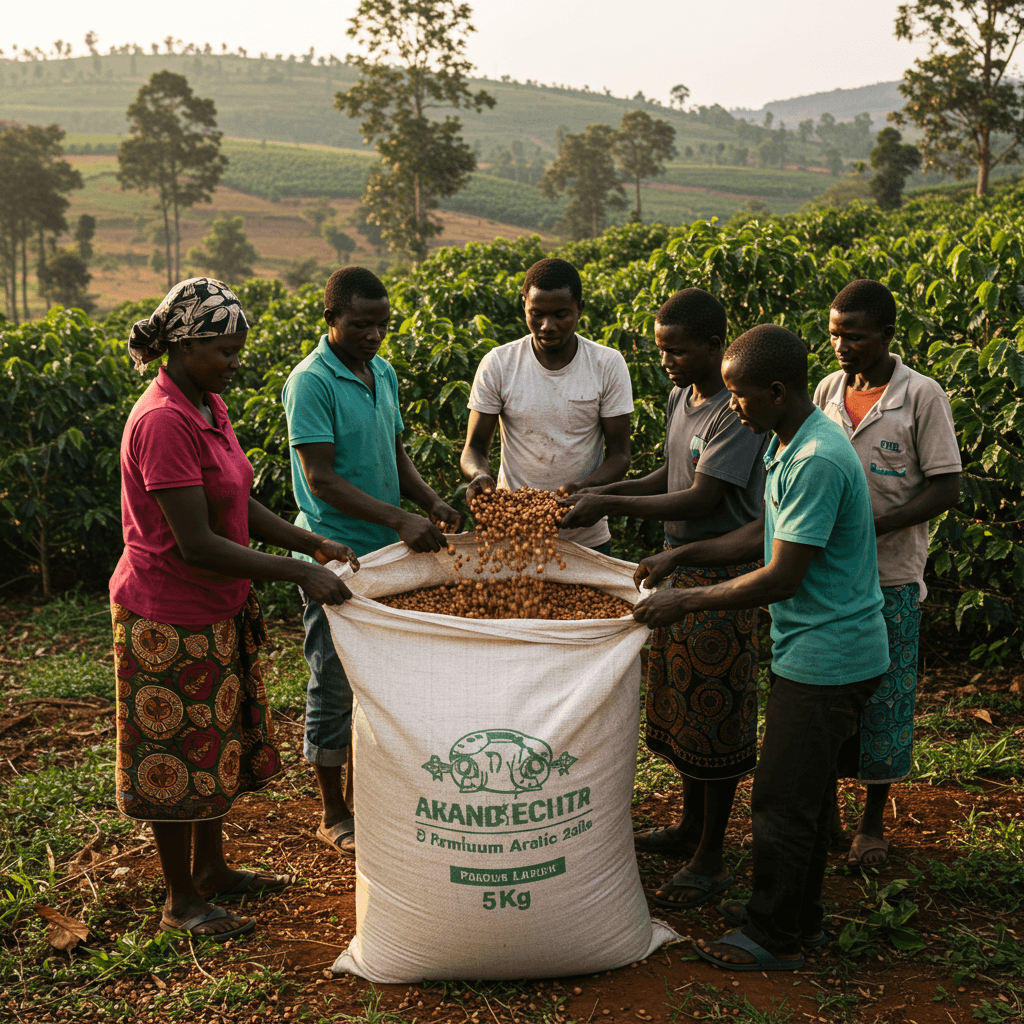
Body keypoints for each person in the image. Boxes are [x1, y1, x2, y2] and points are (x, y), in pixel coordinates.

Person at [633, 324, 888, 972]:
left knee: (782, 799)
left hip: (831, 656)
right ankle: (797, 920)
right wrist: (681, 555)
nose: (733, 408)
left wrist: (684, 600)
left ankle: (774, 933)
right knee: (795, 793)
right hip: (811, 647)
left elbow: (780, 576)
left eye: (741, 397)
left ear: (776, 391)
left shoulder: (816, 460)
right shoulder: (787, 441)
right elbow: (761, 536)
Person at [111, 277, 358, 942]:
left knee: (211, 744)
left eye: (237, 350)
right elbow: (194, 542)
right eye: (223, 350)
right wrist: (298, 572)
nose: (234, 362)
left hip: (214, 609)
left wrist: (310, 541)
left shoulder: (205, 407)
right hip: (168, 615)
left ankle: (213, 870)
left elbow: (237, 503)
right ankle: (181, 902)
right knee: (176, 757)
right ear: (184, 345)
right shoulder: (163, 420)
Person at [558, 289, 769, 910]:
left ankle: (711, 856)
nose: (667, 360)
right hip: (680, 574)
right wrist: (609, 488)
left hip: (721, 571)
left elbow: (703, 498)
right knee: (681, 712)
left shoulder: (733, 412)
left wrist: (611, 503)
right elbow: (669, 476)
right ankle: (687, 827)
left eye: (677, 350)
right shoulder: (685, 398)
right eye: (660, 349)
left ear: (713, 346)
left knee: (717, 719)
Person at [282, 266, 463, 859]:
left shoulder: (380, 371)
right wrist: (398, 519)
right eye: (361, 325)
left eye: (382, 324)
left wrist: (429, 501)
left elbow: (396, 452)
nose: (374, 335)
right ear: (330, 319)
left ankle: (374, 793)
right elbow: (322, 479)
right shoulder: (311, 381)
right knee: (333, 679)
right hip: (335, 555)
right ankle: (333, 811)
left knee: (382, 682)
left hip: (387, 554)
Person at [814, 280, 961, 868]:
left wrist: (876, 525)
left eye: (854, 335)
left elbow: (945, 486)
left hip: (890, 578)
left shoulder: (922, 396)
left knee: (885, 700)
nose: (842, 346)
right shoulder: (827, 390)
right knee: (823, 697)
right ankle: (827, 812)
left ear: (886, 335)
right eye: (834, 334)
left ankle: (871, 824)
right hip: (825, 577)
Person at [460, 257, 633, 553]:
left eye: (561, 314)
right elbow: (474, 448)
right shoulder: (499, 364)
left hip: (584, 536)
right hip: (512, 529)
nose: (547, 326)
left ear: (580, 308)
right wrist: (479, 475)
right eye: (536, 314)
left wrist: (583, 489)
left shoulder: (606, 364)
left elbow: (620, 455)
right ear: (523, 304)